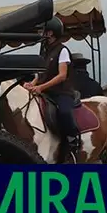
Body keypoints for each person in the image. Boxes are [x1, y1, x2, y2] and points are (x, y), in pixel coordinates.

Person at [22, 17, 81, 161]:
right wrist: (32, 84)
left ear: (50, 33)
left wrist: (41, 87)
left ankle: (73, 141)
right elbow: (41, 74)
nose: (40, 34)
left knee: (64, 111)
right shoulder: (44, 51)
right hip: (46, 91)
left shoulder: (63, 50)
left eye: (42, 31)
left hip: (61, 92)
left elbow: (62, 75)